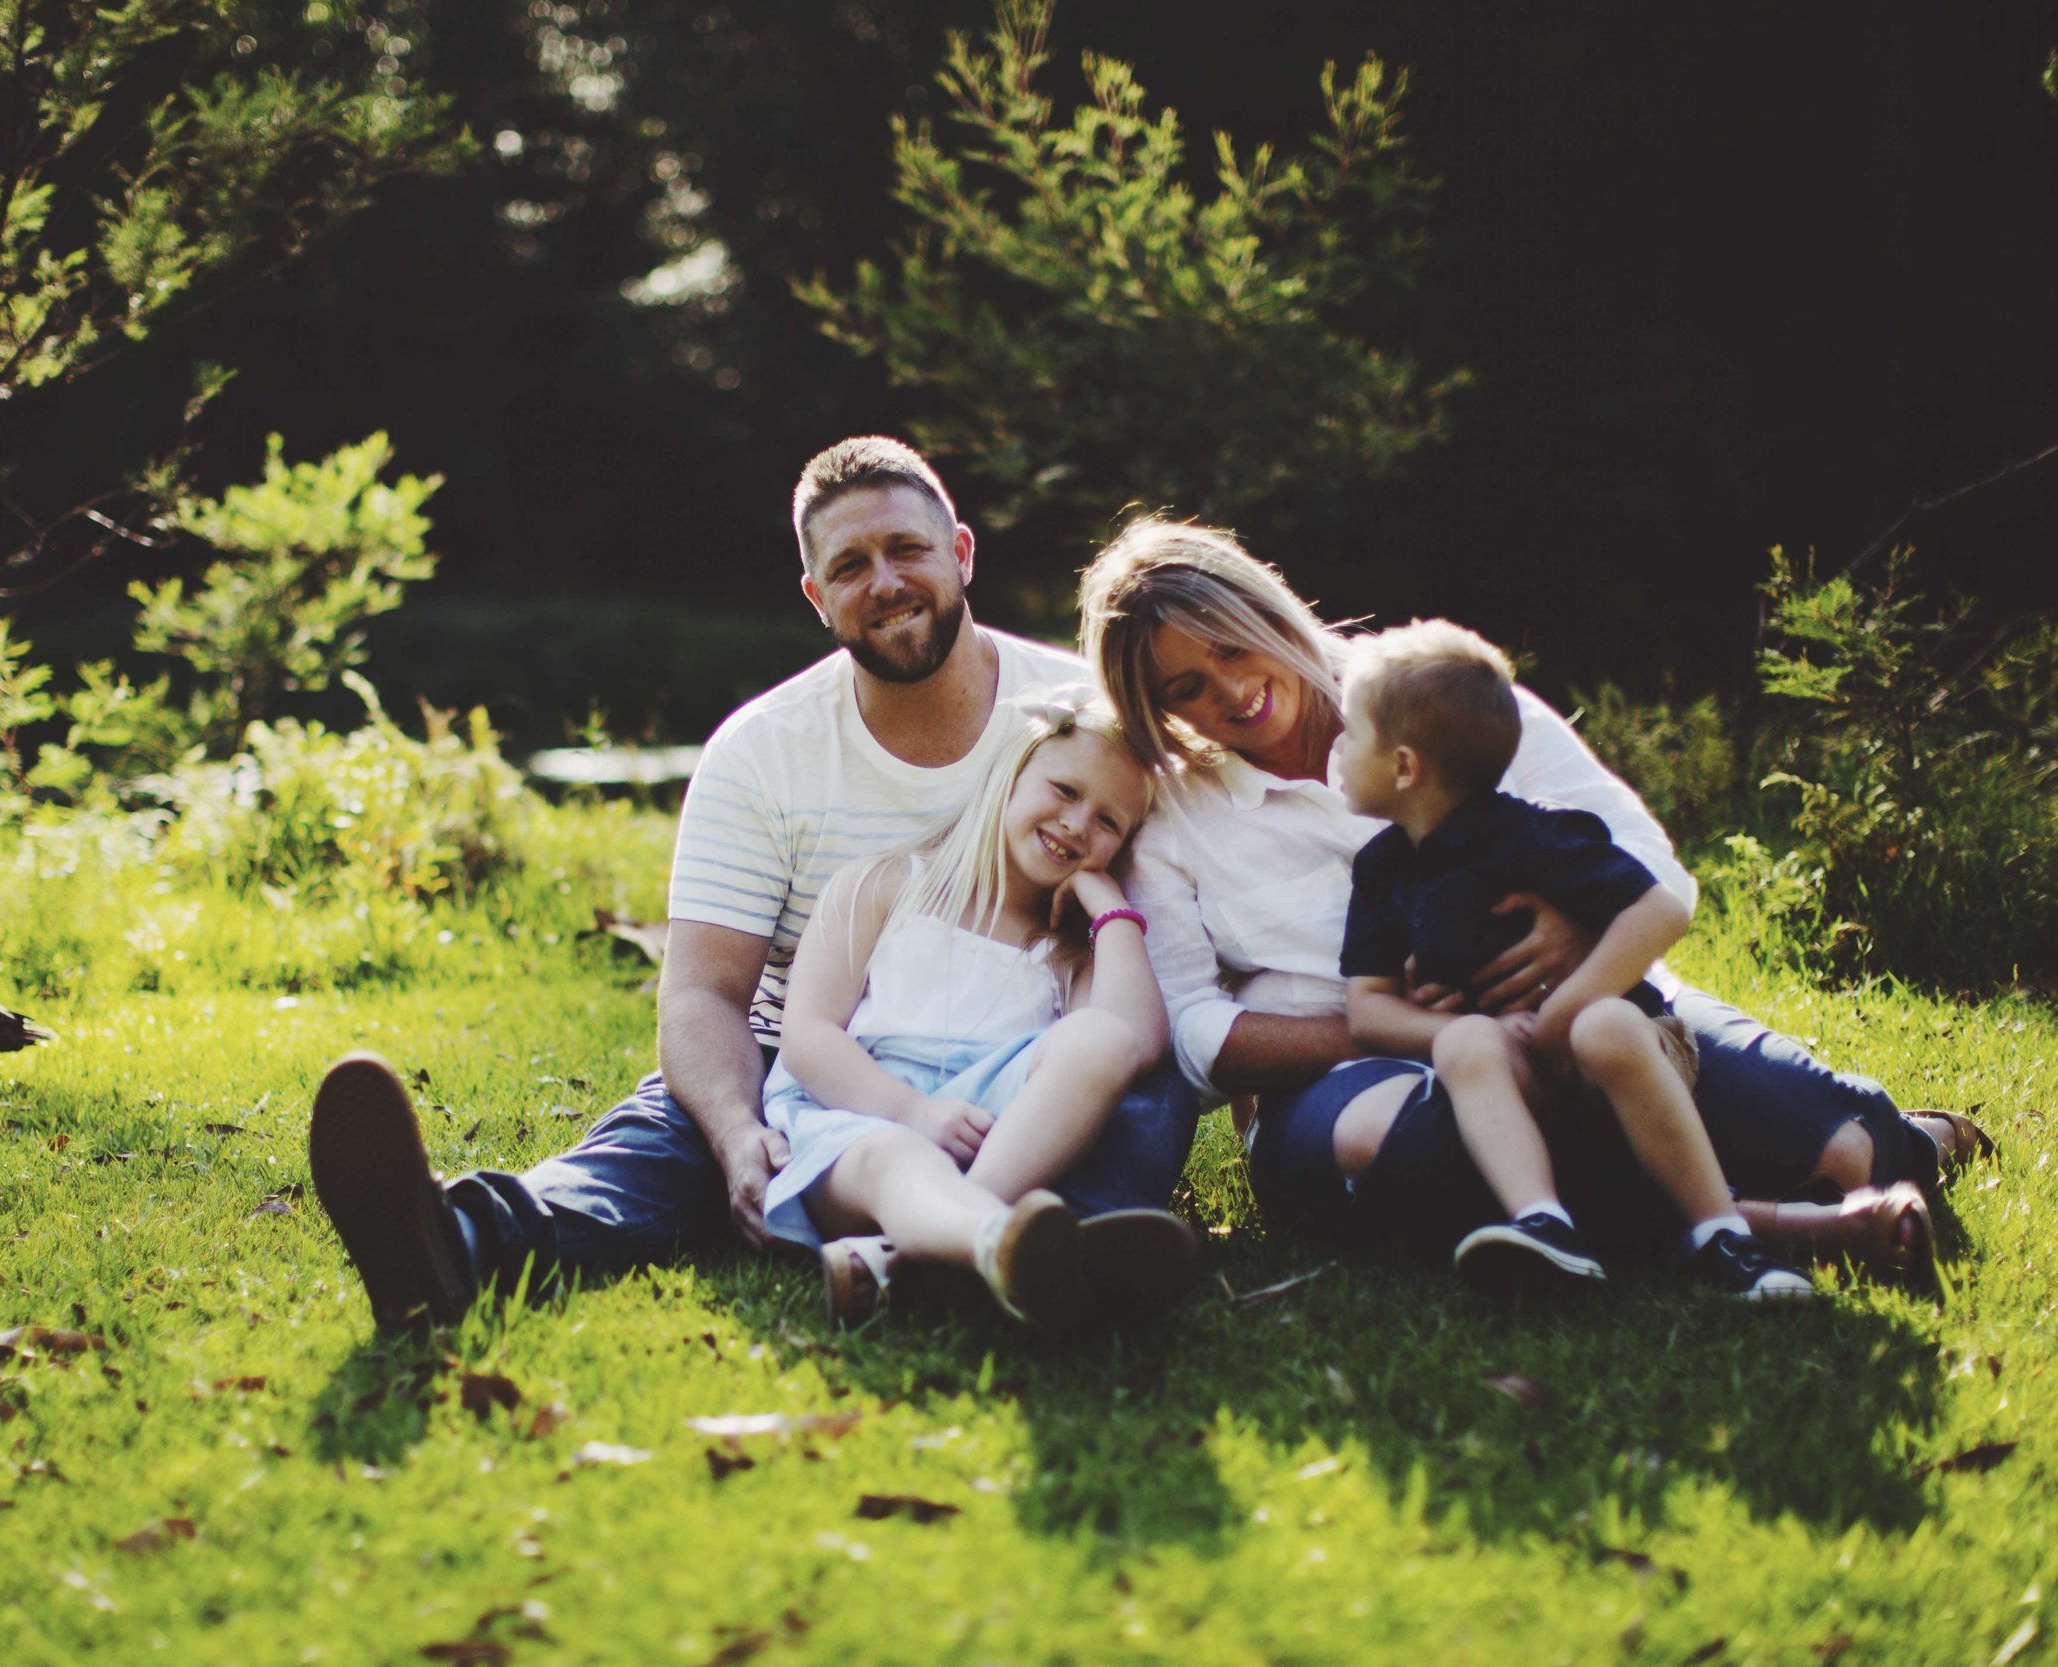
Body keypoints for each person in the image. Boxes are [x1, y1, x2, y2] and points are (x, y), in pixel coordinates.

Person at [306, 440, 1207, 1328]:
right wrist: (740, 1134)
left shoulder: (1085, 715)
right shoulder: (764, 749)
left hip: (1022, 1059)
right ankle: (451, 1243)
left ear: (962, 553)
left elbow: (1172, 936)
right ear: (817, 597)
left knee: (1143, 1086)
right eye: (850, 566)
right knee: (668, 1142)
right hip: (817, 1058)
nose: (885, 582)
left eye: (907, 549)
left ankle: (1017, 1252)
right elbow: (704, 992)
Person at [1079, 517, 1977, 1276]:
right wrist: (1397, 1019)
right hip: (1347, 1076)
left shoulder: (1429, 691)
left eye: (1232, 648)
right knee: (1403, 1147)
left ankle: (1909, 1141)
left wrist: (1575, 937)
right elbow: (1196, 1032)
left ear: (1269, 610)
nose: (1232, 692)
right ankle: (1767, 1226)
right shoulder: (1175, 811)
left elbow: (1650, 869)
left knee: (1844, 1149)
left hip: (1577, 1011)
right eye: (1184, 687)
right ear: (1153, 707)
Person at [1334, 619, 1813, 1298]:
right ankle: (1544, 1226)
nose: (1337, 748)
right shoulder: (1383, 868)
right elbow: (1367, 1006)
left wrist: (1566, 1007)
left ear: (1405, 765)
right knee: (1465, 1039)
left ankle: (1725, 1235)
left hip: (1623, 1056)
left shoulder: (1537, 834)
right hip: (1512, 1069)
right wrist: (1475, 1030)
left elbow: (1660, 909)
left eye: (1350, 733)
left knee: (1604, 1025)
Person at [765, 691, 1196, 1329]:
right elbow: (806, 1035)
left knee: (1098, 1037)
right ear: (1010, 776)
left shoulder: (1068, 952)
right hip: (856, 1124)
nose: (1079, 825)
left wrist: (1110, 910)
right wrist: (911, 1112)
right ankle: (999, 1245)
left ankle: (923, 1260)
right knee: (899, 1159)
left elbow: (1134, 1043)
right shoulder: (885, 884)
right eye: (1066, 791)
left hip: (997, 1143)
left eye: (1110, 823)